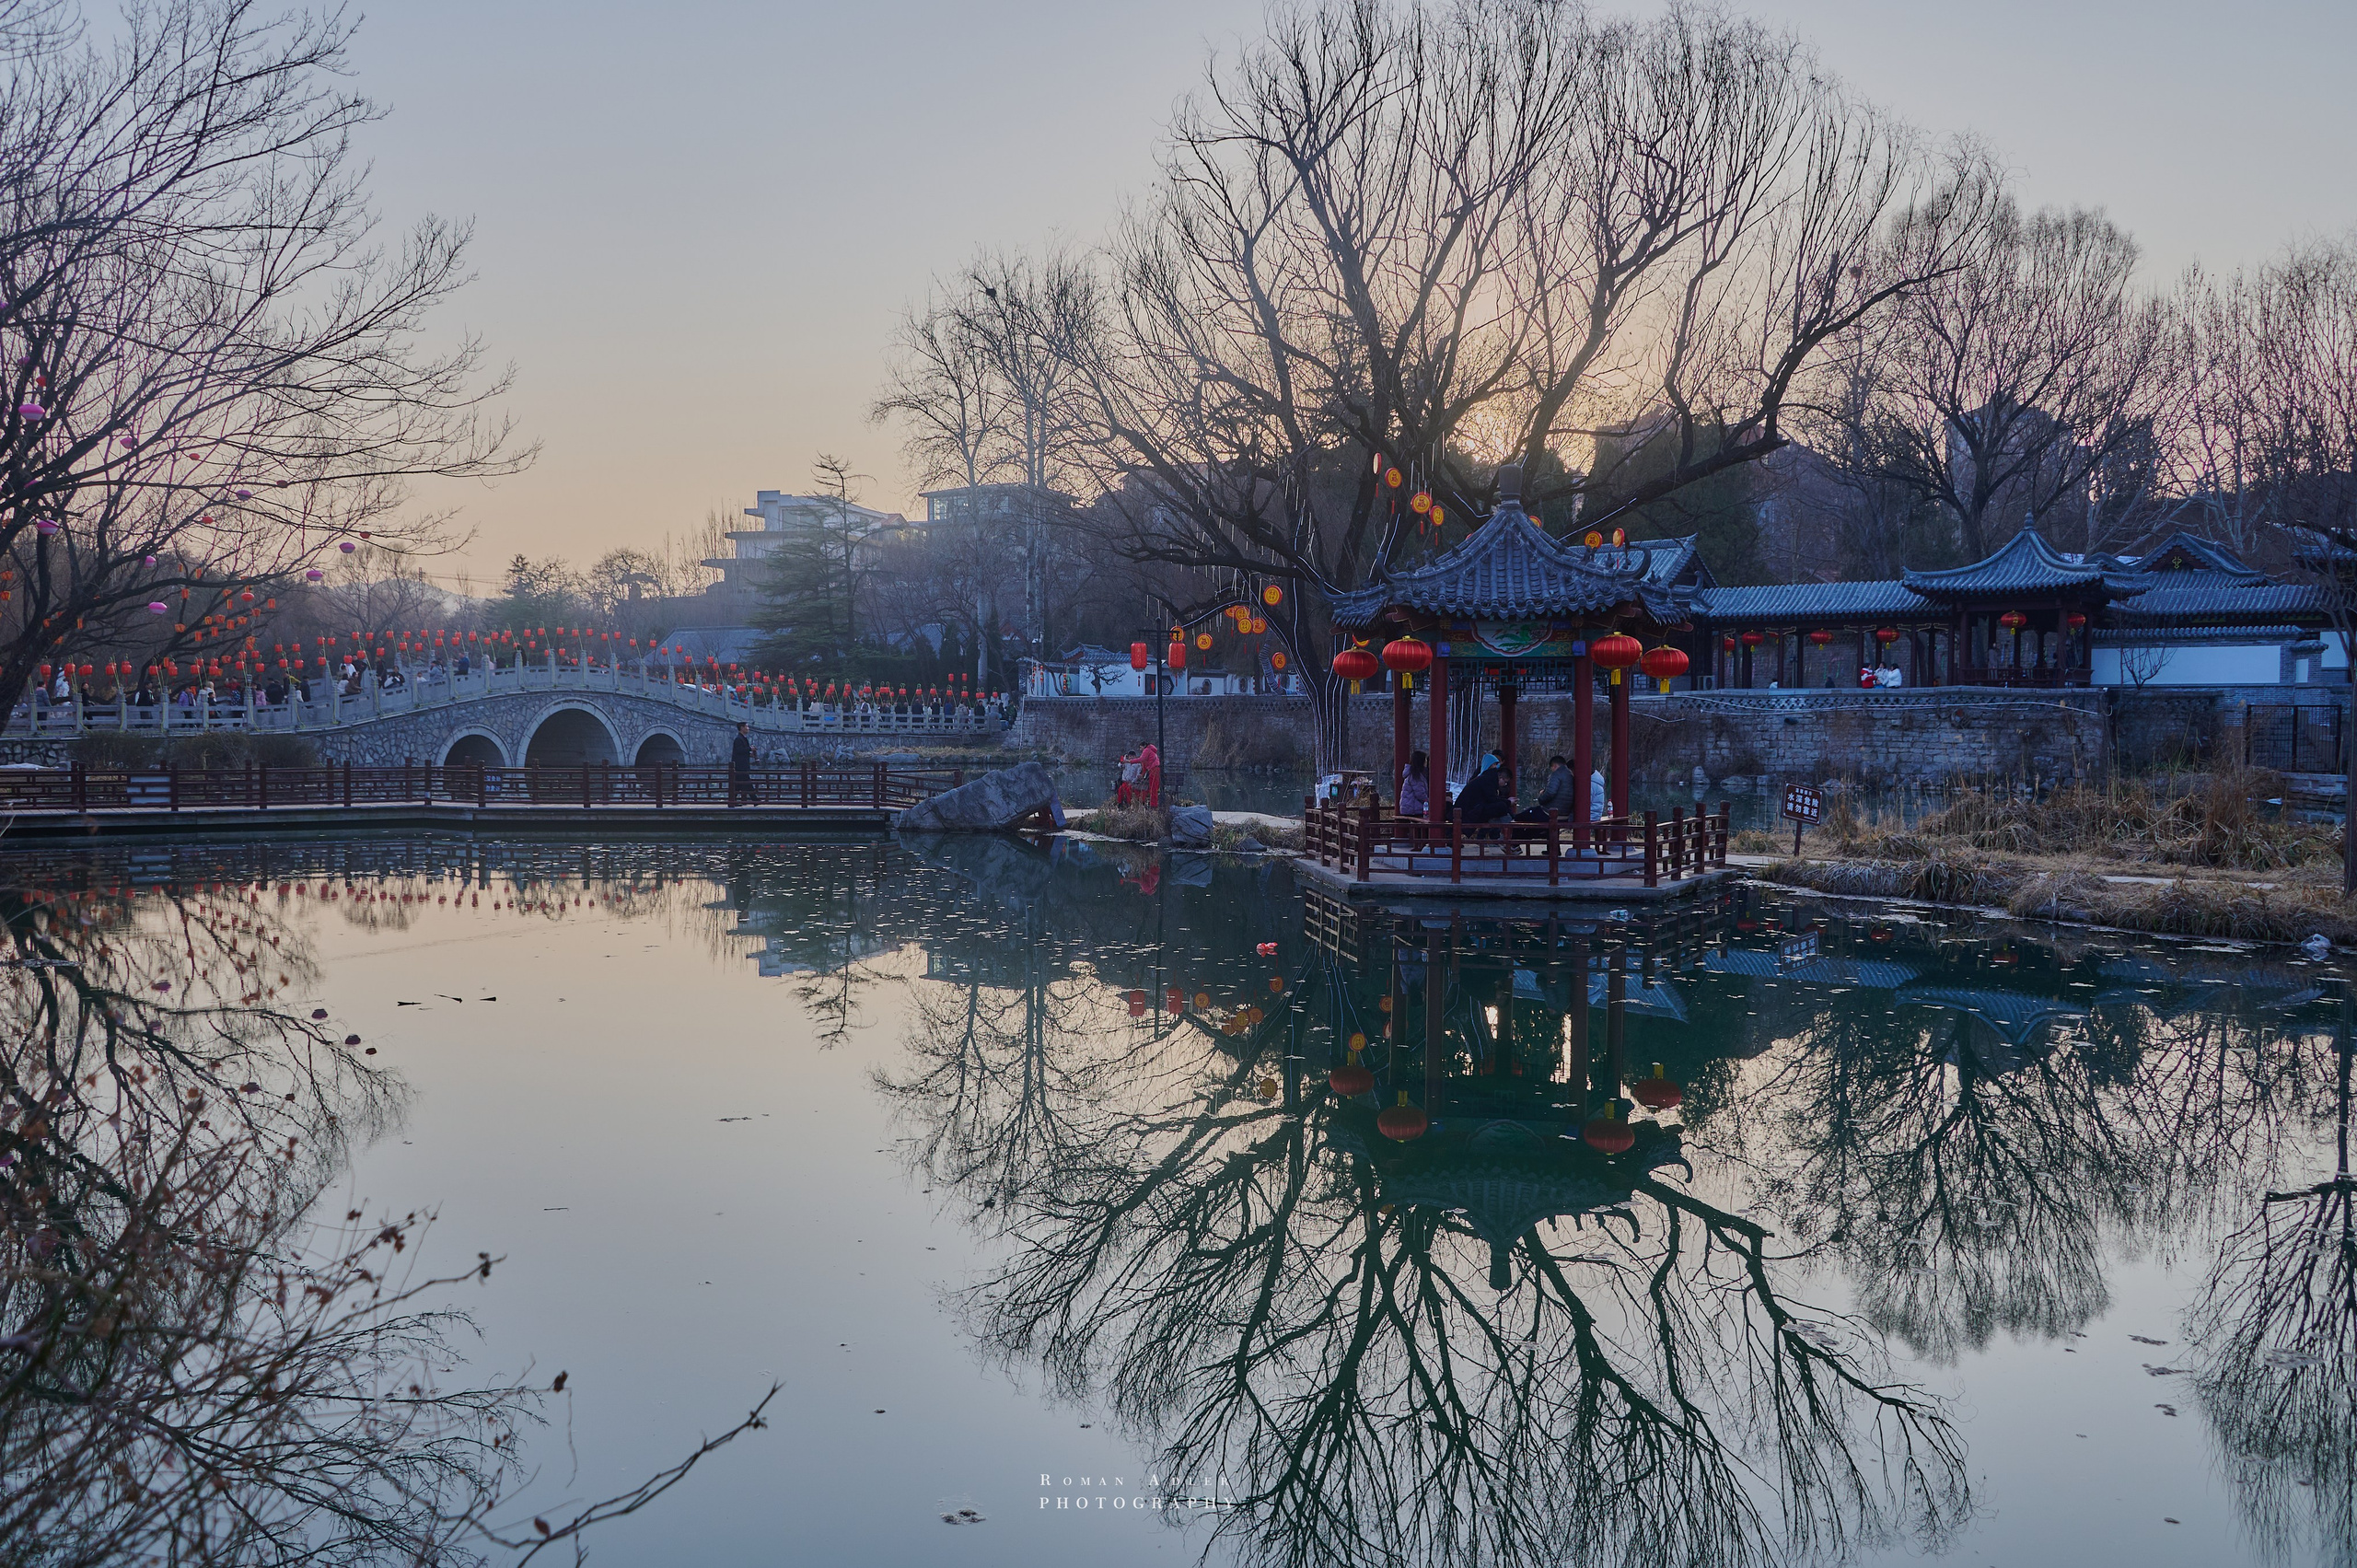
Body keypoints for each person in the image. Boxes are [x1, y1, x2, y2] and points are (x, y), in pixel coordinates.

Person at [1518, 754, 1577, 821]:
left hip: (1550, 814)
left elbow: (1551, 792)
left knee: (1522, 816)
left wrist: (1541, 797)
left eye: (1551, 768)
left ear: (1555, 766)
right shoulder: (1570, 775)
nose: (1552, 770)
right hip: (1565, 815)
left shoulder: (1557, 774)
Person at [728, 721, 755, 807]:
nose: (748, 728)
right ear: (742, 728)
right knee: (747, 783)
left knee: (738, 785)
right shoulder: (738, 739)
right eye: (747, 727)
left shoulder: (742, 738)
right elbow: (739, 751)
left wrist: (749, 753)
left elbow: (742, 752)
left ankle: (732, 801)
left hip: (742, 765)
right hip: (740, 766)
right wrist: (750, 749)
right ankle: (756, 800)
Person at [1398, 750, 1429, 818]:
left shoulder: (1412, 774)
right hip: (1413, 809)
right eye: (1425, 760)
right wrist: (1430, 802)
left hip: (1409, 808)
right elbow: (1420, 794)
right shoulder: (1415, 776)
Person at [1137, 738, 1162, 807]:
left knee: (1153, 789)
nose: (1140, 750)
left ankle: (1153, 805)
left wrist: (1130, 761)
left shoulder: (1147, 751)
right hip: (1154, 770)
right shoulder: (1151, 752)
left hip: (1153, 770)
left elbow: (1142, 760)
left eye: (1140, 747)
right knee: (1152, 789)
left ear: (1144, 746)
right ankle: (1152, 804)